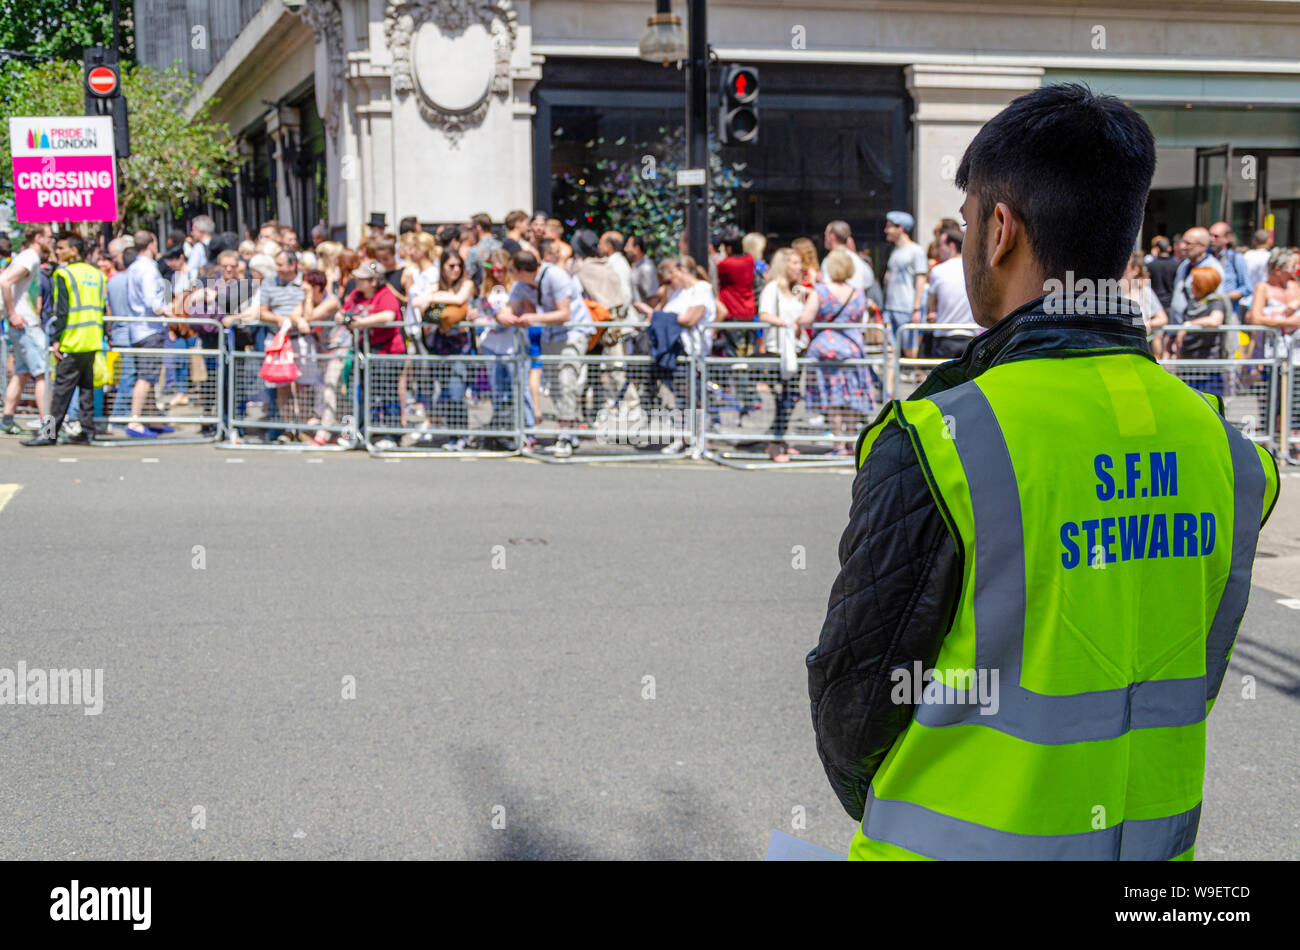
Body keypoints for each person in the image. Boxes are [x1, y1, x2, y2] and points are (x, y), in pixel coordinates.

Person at [808, 83, 1278, 862]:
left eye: (964, 224)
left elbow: (854, 707)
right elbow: (1192, 675)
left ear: (1000, 230)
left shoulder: (942, 436)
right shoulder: (1228, 455)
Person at [507, 249, 595, 457]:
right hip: (550, 337)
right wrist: (503, 316)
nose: (509, 275)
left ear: (521, 270)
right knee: (556, 386)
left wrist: (533, 318)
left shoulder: (556, 275)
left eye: (512, 270)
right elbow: (509, 308)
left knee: (566, 381)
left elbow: (565, 313)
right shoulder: (521, 285)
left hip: (572, 333)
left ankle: (565, 435)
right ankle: (569, 432)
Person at [22, 234, 106, 446]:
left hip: (72, 340)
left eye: (61, 248)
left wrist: (57, 339)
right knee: (86, 388)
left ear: (74, 251)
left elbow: (62, 310)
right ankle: (87, 432)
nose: (57, 252)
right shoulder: (97, 274)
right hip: (92, 338)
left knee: (60, 392)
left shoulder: (65, 274)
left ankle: (49, 433)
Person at [632, 255, 716, 454]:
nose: (668, 285)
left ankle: (700, 439)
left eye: (669, 280)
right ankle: (683, 438)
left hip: (692, 353)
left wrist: (655, 315)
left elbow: (690, 319)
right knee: (679, 399)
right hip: (675, 353)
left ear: (680, 271)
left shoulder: (702, 289)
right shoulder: (678, 293)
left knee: (695, 399)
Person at [798, 248, 872, 456]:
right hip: (852, 347)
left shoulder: (820, 291)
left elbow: (806, 318)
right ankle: (850, 442)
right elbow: (859, 318)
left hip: (826, 349)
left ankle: (838, 444)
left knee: (833, 400)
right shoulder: (858, 293)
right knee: (850, 397)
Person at [413, 249, 476, 449]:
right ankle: (452, 435)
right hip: (440, 345)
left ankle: (462, 436)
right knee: (446, 392)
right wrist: (436, 299)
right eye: (451, 266)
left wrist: (434, 300)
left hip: (460, 345)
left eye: (459, 266)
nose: (456, 270)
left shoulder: (466, 284)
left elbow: (459, 300)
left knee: (457, 390)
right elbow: (416, 302)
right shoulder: (435, 286)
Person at [341, 259, 405, 448]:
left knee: (385, 393)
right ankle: (360, 432)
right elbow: (342, 312)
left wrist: (361, 322)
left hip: (386, 351)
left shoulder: (386, 294)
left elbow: (388, 315)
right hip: (363, 351)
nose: (357, 281)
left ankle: (391, 435)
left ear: (373, 281)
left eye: (363, 279)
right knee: (359, 392)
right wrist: (344, 318)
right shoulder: (356, 295)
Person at [1, 223, 54, 433]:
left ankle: (6, 420)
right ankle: (48, 427)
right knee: (42, 374)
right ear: (39, 238)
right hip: (27, 324)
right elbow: (4, 281)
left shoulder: (25, 256)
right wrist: (14, 314)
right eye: (49, 236)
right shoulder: (31, 257)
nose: (53, 240)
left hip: (22, 325)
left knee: (21, 373)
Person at [756, 247, 808, 462]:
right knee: (782, 398)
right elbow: (764, 314)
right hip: (778, 350)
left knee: (792, 396)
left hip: (797, 349)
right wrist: (786, 324)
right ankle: (775, 443)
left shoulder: (797, 291)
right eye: (794, 263)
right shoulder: (772, 289)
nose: (799, 267)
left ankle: (781, 439)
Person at [924, 225, 978, 362]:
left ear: (951, 246)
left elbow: (931, 306)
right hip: (971, 335)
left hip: (945, 335)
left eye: (941, 245)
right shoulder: (975, 269)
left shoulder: (938, 270)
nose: (939, 250)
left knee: (944, 382)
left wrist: (932, 314)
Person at [881, 210, 928, 363]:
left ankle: (917, 380)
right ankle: (889, 387)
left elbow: (921, 279)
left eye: (889, 227)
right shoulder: (895, 251)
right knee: (890, 351)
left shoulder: (916, 251)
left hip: (906, 309)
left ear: (900, 228)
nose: (886, 230)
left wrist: (916, 309)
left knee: (910, 352)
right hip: (891, 308)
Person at [1208, 221, 1250, 316]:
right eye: (1210, 236)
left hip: (1229, 312)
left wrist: (1223, 297)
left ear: (1227, 238)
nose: (1211, 239)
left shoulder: (1235, 258)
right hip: (1207, 312)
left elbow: (1247, 287)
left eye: (1216, 236)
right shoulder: (1206, 257)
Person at [625, 235, 658, 306]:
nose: (625, 249)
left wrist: (649, 316)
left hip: (641, 316)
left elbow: (653, 298)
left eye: (628, 246)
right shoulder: (637, 266)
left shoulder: (646, 268)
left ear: (636, 249)